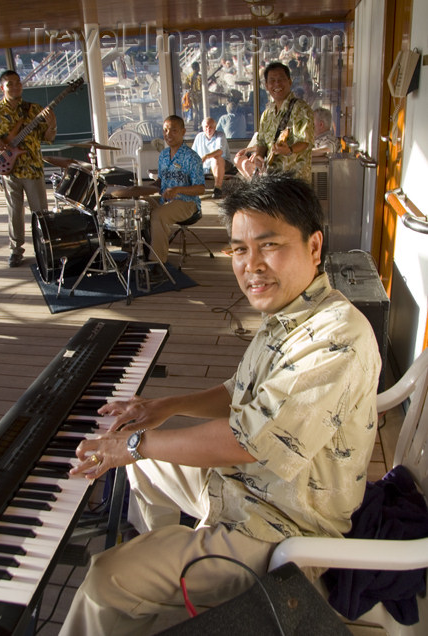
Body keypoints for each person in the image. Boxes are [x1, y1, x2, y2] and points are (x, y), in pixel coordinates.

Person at [59, 173, 381, 636]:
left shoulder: (336, 337)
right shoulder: (291, 311)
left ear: (314, 247)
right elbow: (239, 393)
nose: (251, 265)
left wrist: (135, 443)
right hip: (242, 489)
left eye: (269, 245)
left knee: (104, 582)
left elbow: (246, 441)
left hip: (282, 527)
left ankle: (153, 592)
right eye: (239, 249)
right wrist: (166, 407)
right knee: (143, 468)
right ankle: (168, 593)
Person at [0, 70, 57, 267]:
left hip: (32, 168)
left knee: (40, 212)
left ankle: (45, 249)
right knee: (14, 211)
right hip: (9, 170)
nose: (15, 87)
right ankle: (16, 250)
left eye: (17, 83)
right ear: (2, 88)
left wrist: (51, 124)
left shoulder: (33, 110)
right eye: (10, 84)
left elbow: (47, 138)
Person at [121, 115, 204, 280]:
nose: (169, 134)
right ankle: (138, 252)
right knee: (138, 206)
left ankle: (158, 264)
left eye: (173, 130)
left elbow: (201, 188)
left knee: (159, 215)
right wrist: (144, 189)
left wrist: (178, 189)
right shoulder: (164, 155)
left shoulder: (192, 157)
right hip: (164, 200)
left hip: (187, 203)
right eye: (165, 130)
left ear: (183, 132)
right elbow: (161, 181)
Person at [234, 61, 314, 183]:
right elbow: (261, 141)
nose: (277, 83)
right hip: (272, 181)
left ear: (290, 81)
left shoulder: (301, 109)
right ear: (266, 85)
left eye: (281, 79)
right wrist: (259, 156)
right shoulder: (267, 114)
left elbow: (305, 142)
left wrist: (289, 150)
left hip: (295, 182)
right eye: (272, 80)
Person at [192, 116, 233, 199]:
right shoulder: (199, 137)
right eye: (206, 127)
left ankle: (218, 189)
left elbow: (219, 151)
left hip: (223, 164)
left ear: (215, 127)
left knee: (216, 159)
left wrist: (206, 156)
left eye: (211, 127)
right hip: (204, 166)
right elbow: (193, 153)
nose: (208, 129)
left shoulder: (220, 135)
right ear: (203, 128)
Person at [185, 61, 202, 130]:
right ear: (197, 68)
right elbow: (199, 87)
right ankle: (201, 125)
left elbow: (186, 86)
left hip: (192, 95)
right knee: (200, 111)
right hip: (199, 95)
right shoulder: (199, 77)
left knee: (195, 111)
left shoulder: (189, 76)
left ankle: (195, 125)